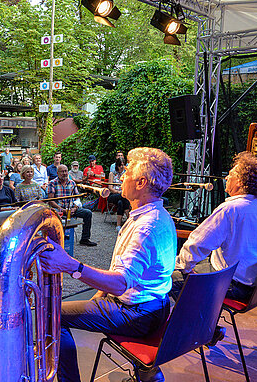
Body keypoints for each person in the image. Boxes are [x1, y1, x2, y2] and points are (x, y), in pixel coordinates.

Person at [38, 147, 176, 382]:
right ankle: (146, 371)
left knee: (53, 313)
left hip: (138, 313)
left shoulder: (146, 227)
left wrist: (70, 265)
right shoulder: (155, 216)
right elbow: (124, 276)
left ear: (141, 182)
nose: (122, 177)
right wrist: (99, 295)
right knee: (66, 310)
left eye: (127, 173)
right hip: (154, 306)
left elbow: (121, 284)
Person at [172, 152, 257, 346]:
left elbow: (198, 243)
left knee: (169, 278)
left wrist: (182, 267)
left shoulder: (230, 209)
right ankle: (206, 323)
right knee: (204, 262)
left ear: (240, 182)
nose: (226, 178)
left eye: (230, 175)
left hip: (233, 285)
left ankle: (202, 329)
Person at [48, 164, 97, 247]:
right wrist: (61, 209)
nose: (64, 173)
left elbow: (77, 198)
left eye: (66, 171)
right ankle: (56, 240)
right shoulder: (52, 183)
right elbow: (50, 201)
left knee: (87, 213)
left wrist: (75, 208)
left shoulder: (72, 183)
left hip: (71, 208)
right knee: (52, 216)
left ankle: (85, 239)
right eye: (62, 171)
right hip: (59, 209)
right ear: (57, 173)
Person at [107, 158, 131, 232]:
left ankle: (118, 226)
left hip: (122, 195)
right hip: (113, 195)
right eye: (120, 165)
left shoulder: (125, 174)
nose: (122, 167)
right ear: (117, 165)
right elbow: (110, 188)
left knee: (121, 202)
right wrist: (118, 192)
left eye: (123, 165)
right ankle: (130, 220)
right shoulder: (112, 174)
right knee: (124, 196)